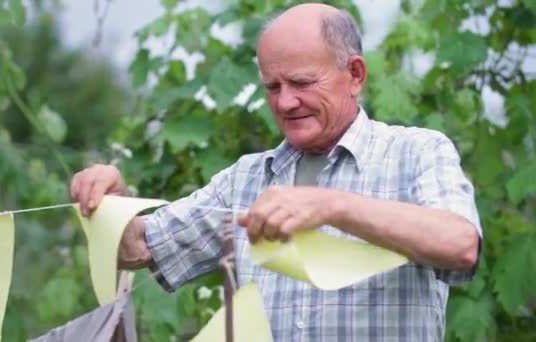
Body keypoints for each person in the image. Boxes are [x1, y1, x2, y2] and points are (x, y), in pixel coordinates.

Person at [70, 3, 482, 341]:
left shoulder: (415, 152)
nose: (285, 102)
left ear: (354, 75)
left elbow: (461, 244)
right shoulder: (247, 178)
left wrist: (332, 206)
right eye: (272, 87)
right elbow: (139, 249)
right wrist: (111, 204)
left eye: (302, 82)